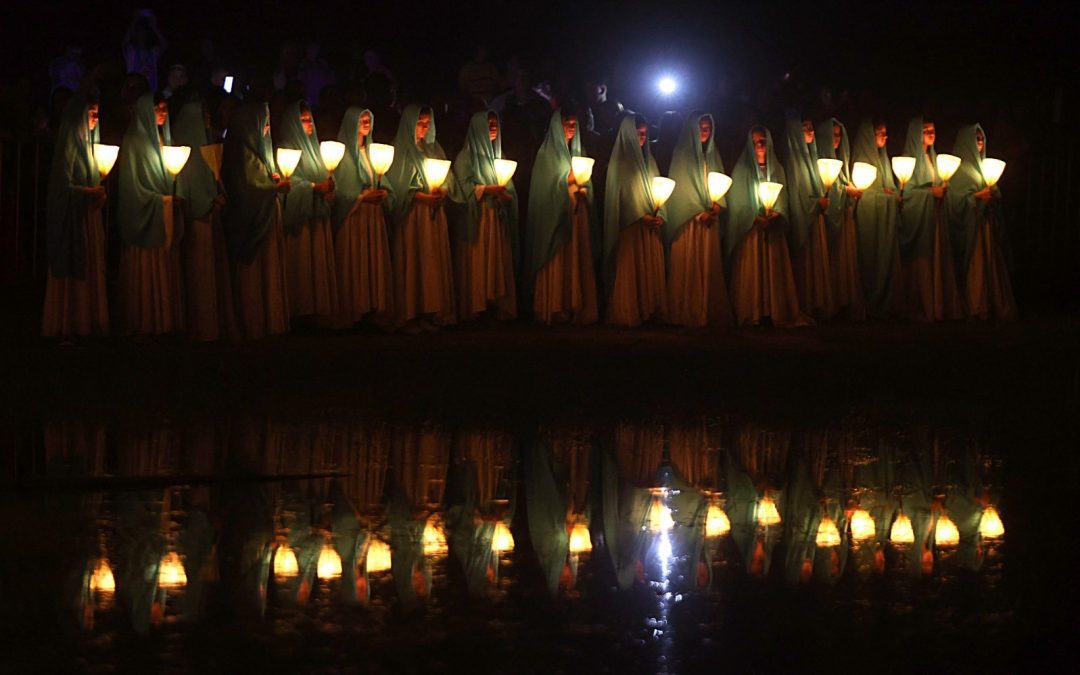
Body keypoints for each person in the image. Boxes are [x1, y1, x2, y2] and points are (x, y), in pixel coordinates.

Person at [724, 126, 811, 327]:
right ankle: (752, 311)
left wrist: (776, 213)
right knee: (752, 270)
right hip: (751, 231)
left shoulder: (777, 169)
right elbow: (737, 202)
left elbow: (784, 197)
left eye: (763, 140)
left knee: (773, 270)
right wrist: (755, 218)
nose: (760, 145)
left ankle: (774, 309)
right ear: (750, 145)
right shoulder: (742, 170)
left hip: (773, 230)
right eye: (756, 142)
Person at [116, 93, 185, 336]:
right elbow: (132, 186)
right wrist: (162, 200)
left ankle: (163, 322)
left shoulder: (162, 139)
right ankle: (145, 322)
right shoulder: (136, 140)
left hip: (162, 212)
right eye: (158, 108)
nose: (163, 112)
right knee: (146, 271)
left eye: (165, 108)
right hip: (146, 214)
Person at [42, 95, 110, 339]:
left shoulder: (88, 144)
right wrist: (91, 191)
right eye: (91, 112)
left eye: (97, 114)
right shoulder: (70, 142)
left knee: (88, 264)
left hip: (86, 217)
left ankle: (86, 320)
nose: (95, 118)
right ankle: (67, 321)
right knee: (72, 262)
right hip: (73, 218)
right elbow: (63, 186)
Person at [222, 103, 291, 339]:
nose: (268, 127)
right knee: (255, 274)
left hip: (268, 218)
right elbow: (246, 188)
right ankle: (254, 322)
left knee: (269, 271)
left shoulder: (260, 150)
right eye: (264, 121)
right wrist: (274, 187)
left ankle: (270, 320)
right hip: (253, 223)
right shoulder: (242, 151)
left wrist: (272, 179)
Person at [385, 105, 456, 331]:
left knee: (432, 260)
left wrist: (443, 190)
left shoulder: (434, 149)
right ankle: (410, 312)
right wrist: (420, 196)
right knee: (414, 261)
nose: (424, 128)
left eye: (427, 123)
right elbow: (398, 184)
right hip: (413, 216)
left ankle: (431, 309)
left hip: (434, 215)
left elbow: (448, 177)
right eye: (419, 123)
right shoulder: (401, 151)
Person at [173, 97, 238, 341]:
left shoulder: (209, 145)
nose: (208, 121)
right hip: (197, 221)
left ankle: (213, 325)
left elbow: (215, 178)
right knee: (200, 274)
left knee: (212, 272)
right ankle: (202, 327)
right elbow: (187, 185)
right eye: (204, 117)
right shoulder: (185, 150)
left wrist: (220, 195)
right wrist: (208, 201)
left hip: (213, 217)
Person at [525, 109, 599, 325]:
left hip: (577, 215)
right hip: (556, 217)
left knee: (577, 256)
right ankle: (555, 305)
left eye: (575, 125)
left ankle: (576, 304)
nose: (571, 129)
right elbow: (545, 187)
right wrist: (567, 181)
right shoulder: (547, 154)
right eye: (567, 124)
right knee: (560, 257)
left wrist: (585, 190)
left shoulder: (579, 151)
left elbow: (587, 182)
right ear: (558, 126)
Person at [663, 112, 734, 327]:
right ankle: (688, 309)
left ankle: (706, 308)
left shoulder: (713, 155)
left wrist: (715, 207)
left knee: (707, 264)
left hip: (709, 220)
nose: (705, 132)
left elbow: (720, 183)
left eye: (708, 128)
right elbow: (681, 190)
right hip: (689, 222)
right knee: (690, 264)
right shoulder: (682, 155)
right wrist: (696, 211)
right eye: (701, 128)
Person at [450, 111, 519, 321]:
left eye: (495, 124)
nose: (493, 128)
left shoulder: (499, 156)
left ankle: (495, 303)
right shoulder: (466, 157)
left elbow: (506, 183)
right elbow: (463, 186)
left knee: (494, 259)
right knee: (479, 259)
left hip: (495, 217)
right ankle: (476, 305)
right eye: (488, 124)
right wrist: (488, 190)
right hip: (478, 218)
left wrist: (507, 195)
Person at [331, 107, 394, 328]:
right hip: (354, 217)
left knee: (371, 261)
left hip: (372, 217)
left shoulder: (372, 152)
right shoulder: (343, 155)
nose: (366, 122)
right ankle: (353, 312)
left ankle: (372, 309)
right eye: (361, 119)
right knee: (355, 261)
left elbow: (381, 179)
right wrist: (362, 197)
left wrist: (383, 191)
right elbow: (340, 190)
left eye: (369, 118)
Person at [946, 124, 1017, 321]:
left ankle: (993, 302)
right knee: (976, 268)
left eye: (981, 138)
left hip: (985, 225)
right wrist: (977, 198)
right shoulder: (960, 169)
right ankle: (976, 305)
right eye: (975, 138)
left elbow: (995, 192)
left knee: (990, 265)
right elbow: (955, 199)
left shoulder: (986, 165)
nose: (979, 142)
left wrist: (993, 194)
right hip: (972, 229)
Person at [604, 115, 668, 327]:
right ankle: (630, 310)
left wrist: (660, 214)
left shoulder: (648, 160)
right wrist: (641, 215)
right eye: (639, 134)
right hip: (631, 228)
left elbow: (658, 188)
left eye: (645, 134)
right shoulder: (621, 161)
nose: (643, 138)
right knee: (632, 269)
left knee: (648, 268)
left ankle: (649, 310)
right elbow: (624, 196)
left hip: (649, 226)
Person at [278, 101, 339, 321]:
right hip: (300, 217)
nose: (309, 124)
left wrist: (330, 186)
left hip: (317, 216)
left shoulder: (315, 147)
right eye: (303, 120)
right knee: (302, 263)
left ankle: (317, 310)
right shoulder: (287, 147)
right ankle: (300, 311)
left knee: (316, 264)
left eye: (309, 119)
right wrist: (313, 187)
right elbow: (288, 181)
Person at [898, 117, 964, 321]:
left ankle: (938, 305)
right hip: (920, 219)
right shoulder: (908, 161)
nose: (930, 133)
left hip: (934, 218)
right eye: (925, 130)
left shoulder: (934, 159)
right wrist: (929, 194)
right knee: (922, 263)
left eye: (932, 129)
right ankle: (923, 306)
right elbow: (906, 194)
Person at [784, 117, 836, 320]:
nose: (811, 131)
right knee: (807, 263)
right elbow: (798, 195)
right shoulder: (794, 161)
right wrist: (816, 204)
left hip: (817, 220)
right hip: (805, 220)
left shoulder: (814, 158)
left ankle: (819, 304)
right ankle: (807, 302)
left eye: (811, 127)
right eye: (805, 128)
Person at [850, 120, 902, 318]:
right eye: (880, 133)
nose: (884, 137)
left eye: (886, 133)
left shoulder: (883, 158)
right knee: (870, 256)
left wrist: (892, 195)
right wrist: (884, 195)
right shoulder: (863, 158)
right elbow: (864, 193)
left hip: (885, 217)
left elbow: (890, 186)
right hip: (869, 217)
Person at [816, 117, 866, 321]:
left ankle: (844, 302)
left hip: (844, 218)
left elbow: (842, 182)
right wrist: (844, 190)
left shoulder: (842, 162)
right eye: (833, 135)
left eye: (839, 135)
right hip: (827, 220)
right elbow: (825, 187)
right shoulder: (820, 161)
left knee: (844, 261)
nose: (836, 139)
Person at [122, 10, 167, 92]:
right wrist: (134, 22)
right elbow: (124, 43)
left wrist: (154, 27)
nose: (141, 36)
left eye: (144, 33)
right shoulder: (131, 52)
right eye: (139, 33)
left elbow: (164, 45)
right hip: (133, 93)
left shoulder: (152, 53)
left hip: (150, 92)